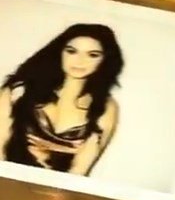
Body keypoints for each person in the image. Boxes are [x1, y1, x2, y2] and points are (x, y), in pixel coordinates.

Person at [0, 23, 123, 174]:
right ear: (60, 52)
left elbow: (80, 170)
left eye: (93, 55)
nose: (80, 61)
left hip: (55, 188)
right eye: (71, 51)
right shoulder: (18, 91)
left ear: (105, 59)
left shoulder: (105, 107)